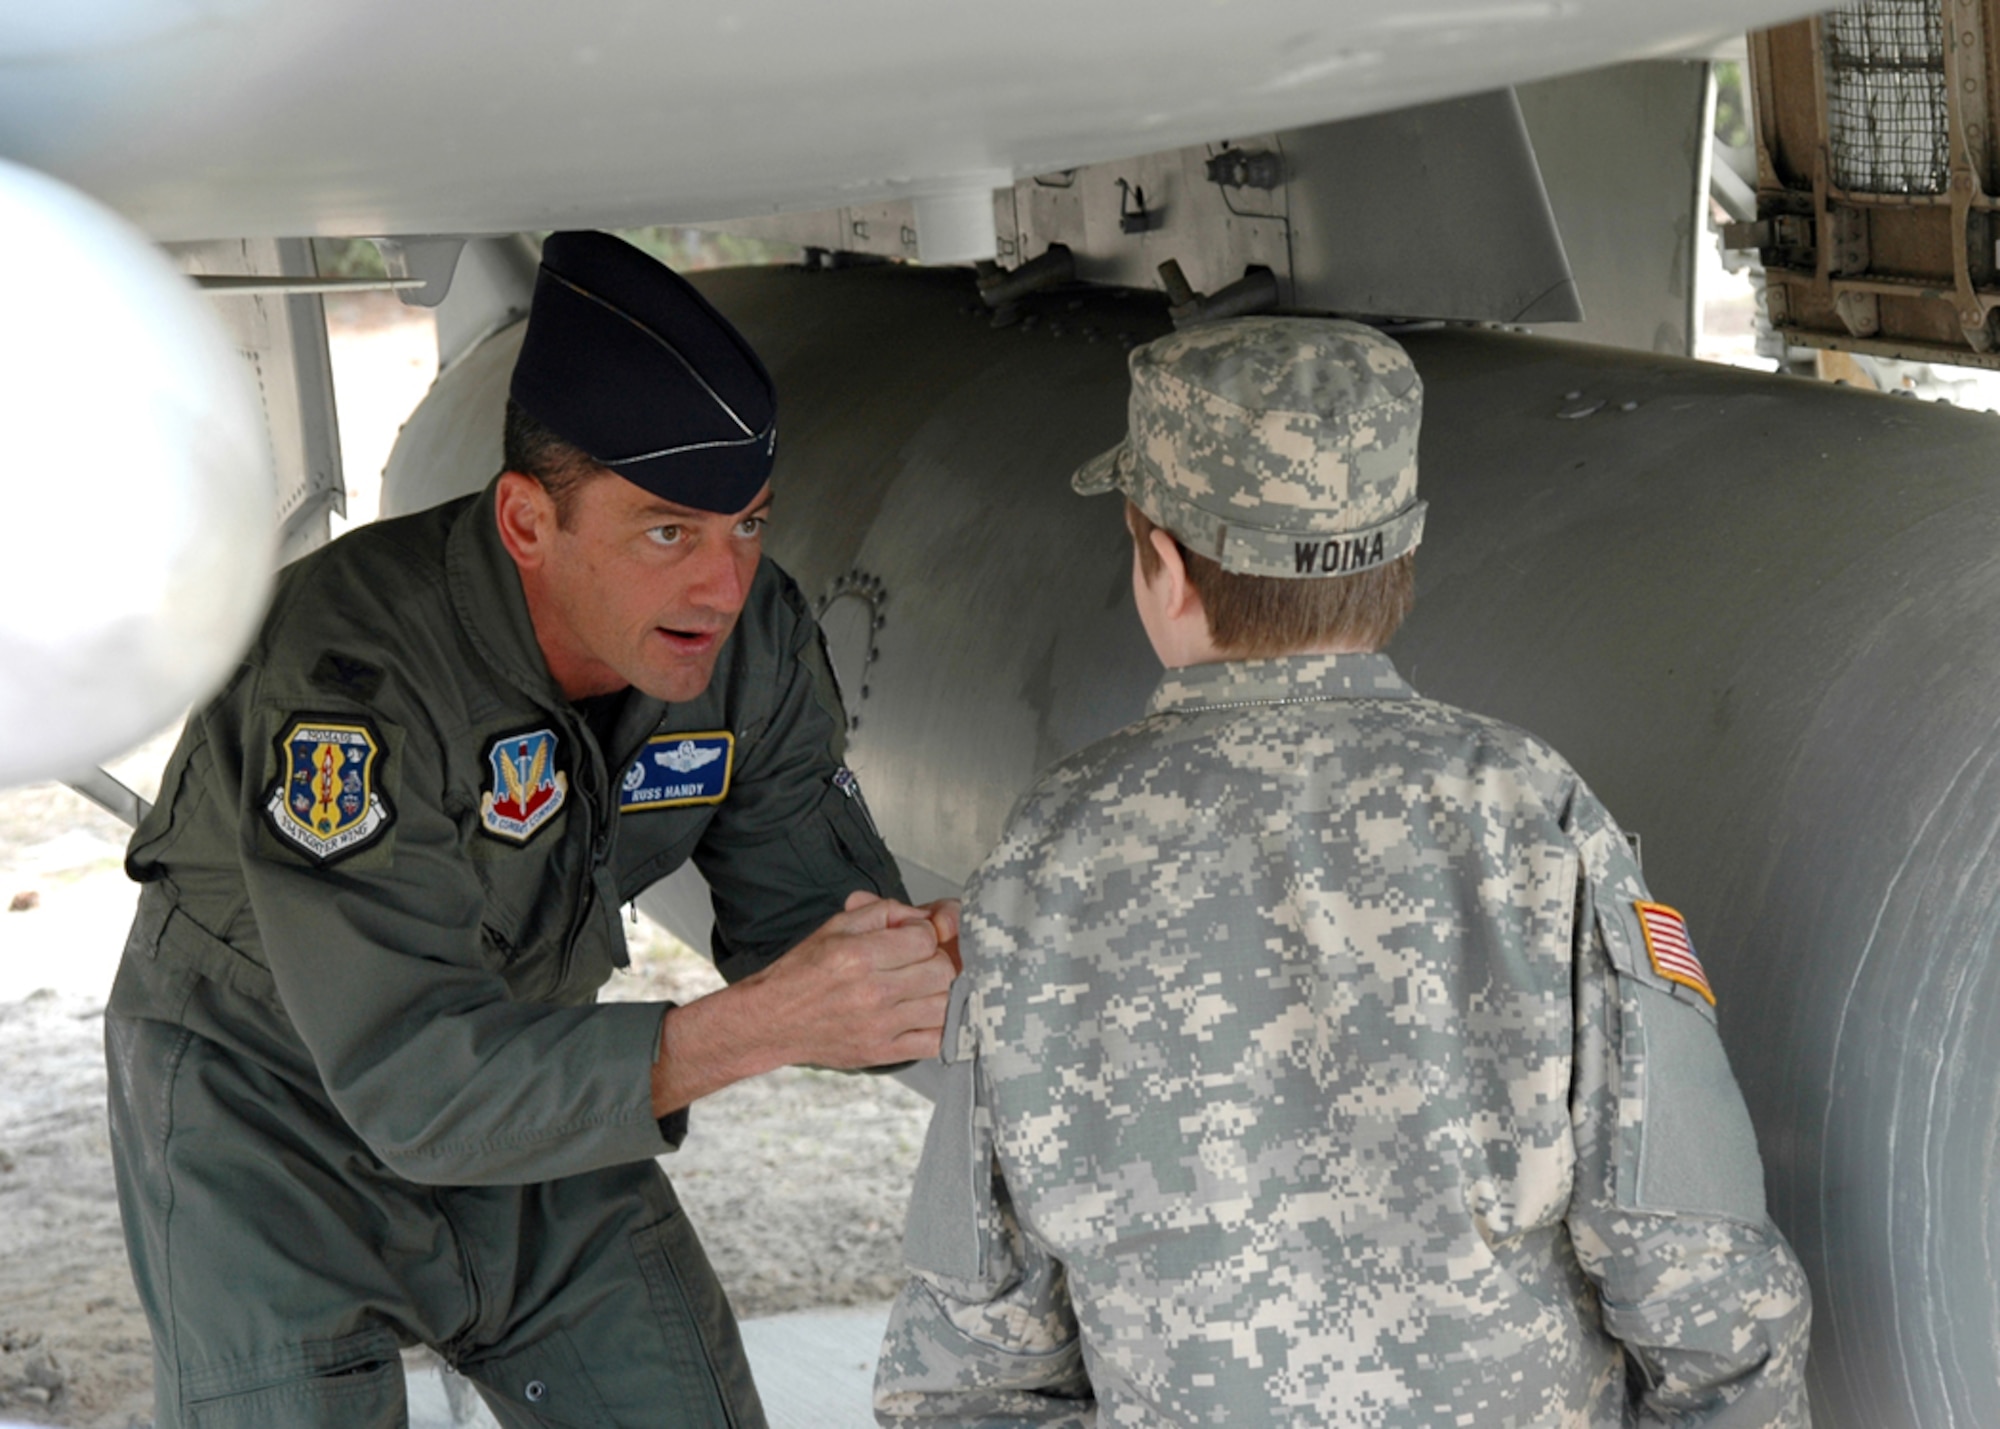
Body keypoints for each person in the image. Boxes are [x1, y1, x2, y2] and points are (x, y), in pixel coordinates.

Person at [873, 317, 1812, 1427]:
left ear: (1162, 566)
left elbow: (966, 1363)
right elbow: (1700, 1279)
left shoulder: (1050, 853)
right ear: (1400, 554)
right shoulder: (1529, 812)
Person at [106, 229, 958, 1429]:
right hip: (272, 1114)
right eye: (667, 530)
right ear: (524, 521)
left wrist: (948, 961)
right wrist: (758, 1026)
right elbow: (414, 1083)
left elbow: (805, 937)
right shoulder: (349, 681)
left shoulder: (745, 642)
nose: (723, 583)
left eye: (750, 523)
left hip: (532, 1071)